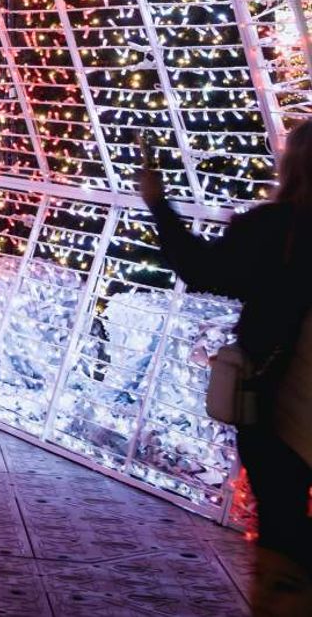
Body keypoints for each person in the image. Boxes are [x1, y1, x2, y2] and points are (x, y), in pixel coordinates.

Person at [141, 127, 312, 602]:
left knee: (282, 516)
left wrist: (158, 203)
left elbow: (203, 270)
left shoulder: (277, 228)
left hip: (276, 395)